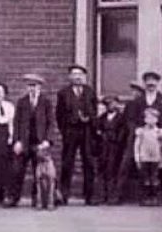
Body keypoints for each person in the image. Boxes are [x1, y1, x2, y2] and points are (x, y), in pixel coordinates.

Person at [120, 71, 162, 205]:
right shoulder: (137, 101)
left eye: (154, 81)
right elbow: (130, 119)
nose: (151, 84)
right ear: (144, 84)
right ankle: (142, 197)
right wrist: (136, 130)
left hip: (159, 138)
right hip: (142, 138)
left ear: (157, 83)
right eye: (148, 81)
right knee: (140, 166)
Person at [7, 73, 56, 208]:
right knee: (17, 170)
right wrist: (17, 141)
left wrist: (47, 140)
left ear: (39, 86)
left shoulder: (46, 102)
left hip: (40, 143)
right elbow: (16, 122)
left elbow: (51, 123)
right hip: (24, 142)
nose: (31, 88)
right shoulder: (22, 102)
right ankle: (14, 198)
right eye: (29, 85)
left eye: (34, 85)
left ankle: (38, 199)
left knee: (38, 172)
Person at [55, 64, 98, 205]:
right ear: (70, 77)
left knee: (89, 163)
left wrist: (89, 121)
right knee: (67, 163)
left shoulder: (90, 92)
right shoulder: (63, 93)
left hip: (86, 132)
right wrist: (65, 130)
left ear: (84, 77)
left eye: (80, 74)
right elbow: (59, 115)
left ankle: (89, 195)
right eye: (74, 74)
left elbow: (94, 111)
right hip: (70, 131)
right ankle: (64, 194)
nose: (77, 77)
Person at [95, 95, 127, 205]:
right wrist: (100, 135)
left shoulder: (121, 118)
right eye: (108, 104)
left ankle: (113, 196)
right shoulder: (102, 118)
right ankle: (101, 195)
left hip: (115, 148)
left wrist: (116, 138)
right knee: (102, 170)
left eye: (113, 104)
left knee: (113, 170)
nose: (111, 106)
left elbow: (123, 132)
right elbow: (97, 130)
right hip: (103, 148)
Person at [133, 108, 162, 206]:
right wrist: (137, 159)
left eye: (153, 118)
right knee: (145, 179)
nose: (151, 120)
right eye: (148, 118)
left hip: (156, 159)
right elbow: (137, 146)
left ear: (157, 119)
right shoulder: (141, 131)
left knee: (155, 178)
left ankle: (154, 198)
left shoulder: (160, 132)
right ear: (145, 119)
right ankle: (145, 198)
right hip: (144, 158)